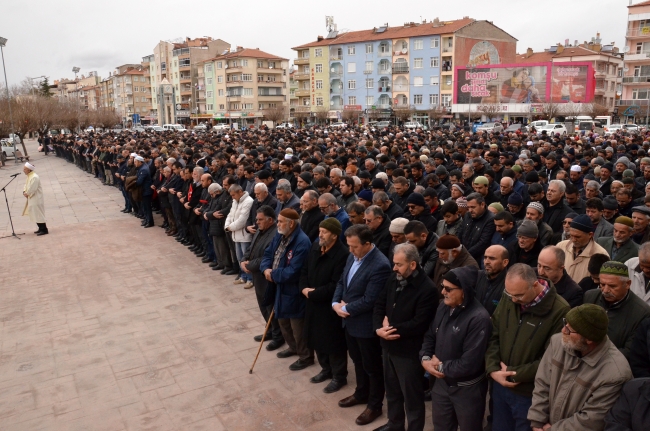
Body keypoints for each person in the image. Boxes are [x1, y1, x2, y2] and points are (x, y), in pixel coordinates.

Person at [485, 263, 569, 431]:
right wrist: (493, 369)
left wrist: (513, 374)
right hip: (499, 385)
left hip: (528, 395)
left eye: (519, 295)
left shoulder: (560, 310)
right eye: (510, 294)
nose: (514, 300)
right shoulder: (510, 296)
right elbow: (493, 333)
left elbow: (552, 359)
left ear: (535, 285)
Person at [528, 304, 632, 430]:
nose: (563, 331)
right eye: (565, 324)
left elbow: (591, 420)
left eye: (570, 330)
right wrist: (537, 421)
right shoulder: (557, 343)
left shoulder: (616, 373)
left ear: (589, 339)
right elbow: (542, 383)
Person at [373, 243, 439, 431]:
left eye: (399, 264)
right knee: (392, 392)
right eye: (394, 263)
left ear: (412, 265)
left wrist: (390, 329)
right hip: (388, 346)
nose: (394, 268)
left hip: (409, 353)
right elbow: (379, 303)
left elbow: (419, 323)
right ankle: (395, 424)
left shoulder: (427, 289)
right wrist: (379, 328)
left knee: (412, 398)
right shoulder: (393, 278)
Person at [332, 224, 392, 427]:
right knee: (357, 361)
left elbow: (370, 299)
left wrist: (345, 309)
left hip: (365, 325)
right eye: (348, 246)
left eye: (354, 246)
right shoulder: (352, 255)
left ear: (367, 244)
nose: (350, 250)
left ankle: (375, 405)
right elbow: (342, 281)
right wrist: (335, 303)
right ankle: (361, 393)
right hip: (349, 321)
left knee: (372, 367)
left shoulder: (380, 265)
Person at [420, 266, 492, 431]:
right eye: (442, 287)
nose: (443, 292)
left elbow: (470, 363)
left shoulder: (479, 319)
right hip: (442, 385)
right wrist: (425, 359)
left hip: (467, 390)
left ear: (464, 291)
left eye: (448, 289)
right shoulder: (443, 307)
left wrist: (438, 366)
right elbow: (430, 336)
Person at [301, 218, 350, 393]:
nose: (320, 234)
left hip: (328, 305)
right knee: (316, 338)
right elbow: (305, 270)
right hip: (312, 302)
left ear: (335, 235)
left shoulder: (342, 254)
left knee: (333, 343)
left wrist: (313, 293)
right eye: (320, 230)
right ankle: (325, 369)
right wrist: (304, 288)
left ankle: (339, 376)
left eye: (324, 232)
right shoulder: (316, 247)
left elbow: (336, 284)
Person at [260, 208, 313, 371]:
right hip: (278, 286)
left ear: (291, 224)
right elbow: (268, 253)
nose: (278, 224)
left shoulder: (302, 242)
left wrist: (273, 274)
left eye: (281, 221)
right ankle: (292, 347)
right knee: (282, 320)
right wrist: (265, 269)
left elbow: (294, 271)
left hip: (293, 290)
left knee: (297, 325)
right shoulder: (279, 234)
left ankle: (305, 356)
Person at [584, 261, 650, 359]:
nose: (605, 290)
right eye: (602, 284)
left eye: (612, 286)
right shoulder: (590, 297)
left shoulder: (642, 312)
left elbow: (629, 351)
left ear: (627, 284)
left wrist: (594, 356)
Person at [240, 205, 284, 351]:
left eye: (260, 220)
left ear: (270, 220)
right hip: (256, 275)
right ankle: (269, 330)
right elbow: (251, 248)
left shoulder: (275, 235)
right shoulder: (260, 230)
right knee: (262, 306)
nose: (257, 222)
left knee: (270, 307)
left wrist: (249, 265)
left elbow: (267, 258)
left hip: (266, 277)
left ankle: (278, 336)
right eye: (256, 219)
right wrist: (243, 260)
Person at [557, 214, 610, 284]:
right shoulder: (561, 246)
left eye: (577, 237)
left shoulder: (601, 254)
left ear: (590, 235)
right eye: (571, 236)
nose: (573, 240)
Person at [225, 184, 254, 287]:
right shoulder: (235, 201)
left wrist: (229, 228)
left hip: (244, 235)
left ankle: (250, 279)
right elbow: (230, 214)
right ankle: (243, 277)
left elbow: (242, 220)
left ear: (240, 192)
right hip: (236, 234)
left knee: (246, 259)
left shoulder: (248, 201)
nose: (232, 197)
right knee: (239, 258)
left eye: (233, 195)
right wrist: (226, 225)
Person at [459, 193, 496, 262]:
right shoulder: (467, 215)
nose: (470, 210)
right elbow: (460, 233)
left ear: (482, 204)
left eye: (473, 207)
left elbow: (483, 242)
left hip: (477, 259)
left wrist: (465, 256)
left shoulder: (490, 219)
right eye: (468, 207)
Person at [475, 245, 510, 316]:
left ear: (505, 262)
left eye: (492, 258)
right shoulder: (477, 276)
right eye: (485, 258)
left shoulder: (509, 284)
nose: (486, 262)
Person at [21, 162, 48, 235]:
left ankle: (44, 229)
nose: (24, 170)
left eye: (25, 169)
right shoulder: (30, 176)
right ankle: (40, 228)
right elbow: (26, 185)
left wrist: (27, 193)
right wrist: (24, 191)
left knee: (39, 213)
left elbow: (33, 188)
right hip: (31, 198)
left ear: (29, 170)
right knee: (35, 213)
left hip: (36, 198)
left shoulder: (34, 177)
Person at [134, 156, 154, 228]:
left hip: (146, 191)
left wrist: (134, 182)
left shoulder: (144, 169)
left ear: (140, 162)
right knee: (144, 206)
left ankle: (150, 221)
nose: (135, 163)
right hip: (143, 190)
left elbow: (139, 181)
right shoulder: (141, 168)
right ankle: (146, 219)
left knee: (147, 207)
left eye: (135, 162)